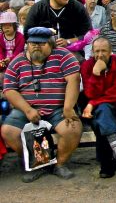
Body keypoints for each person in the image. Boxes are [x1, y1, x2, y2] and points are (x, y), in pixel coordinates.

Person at [1, 27, 82, 182]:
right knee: (8, 131)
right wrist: (28, 109)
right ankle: (36, 162)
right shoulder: (17, 61)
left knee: (72, 128)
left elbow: (74, 80)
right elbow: (9, 89)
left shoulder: (64, 56)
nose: (36, 46)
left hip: (57, 107)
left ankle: (59, 164)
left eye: (41, 43)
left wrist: (68, 107)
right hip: (25, 108)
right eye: (32, 43)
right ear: (27, 44)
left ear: (51, 44)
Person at [80, 37, 116, 178]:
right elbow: (89, 93)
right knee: (101, 117)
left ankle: (107, 164)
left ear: (111, 51)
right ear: (92, 52)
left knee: (103, 113)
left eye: (103, 50)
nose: (99, 55)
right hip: (96, 110)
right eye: (96, 51)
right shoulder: (86, 65)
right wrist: (96, 73)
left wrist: (92, 103)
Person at [25, 0, 90, 47]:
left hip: (71, 48)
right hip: (43, 48)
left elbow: (88, 34)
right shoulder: (38, 8)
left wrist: (68, 41)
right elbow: (27, 33)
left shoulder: (77, 7)